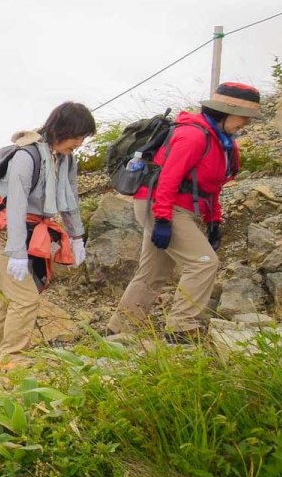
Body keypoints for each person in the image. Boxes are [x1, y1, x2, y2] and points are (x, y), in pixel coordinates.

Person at [107, 83, 260, 341]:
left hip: (173, 206)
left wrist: (214, 222)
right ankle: (182, 327)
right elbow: (168, 178)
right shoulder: (194, 136)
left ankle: (119, 331)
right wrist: (164, 219)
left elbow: (213, 187)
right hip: (160, 203)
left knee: (153, 272)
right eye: (243, 117)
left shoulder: (223, 144)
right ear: (226, 112)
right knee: (204, 264)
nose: (246, 123)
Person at [0, 102, 95, 369]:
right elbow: (16, 204)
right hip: (6, 235)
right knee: (25, 299)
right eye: (78, 136)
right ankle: (13, 361)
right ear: (63, 129)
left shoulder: (65, 159)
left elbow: (69, 200)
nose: (80, 143)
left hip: (33, 233)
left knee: (6, 299)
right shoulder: (27, 156)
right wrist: (16, 252)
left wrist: (77, 236)